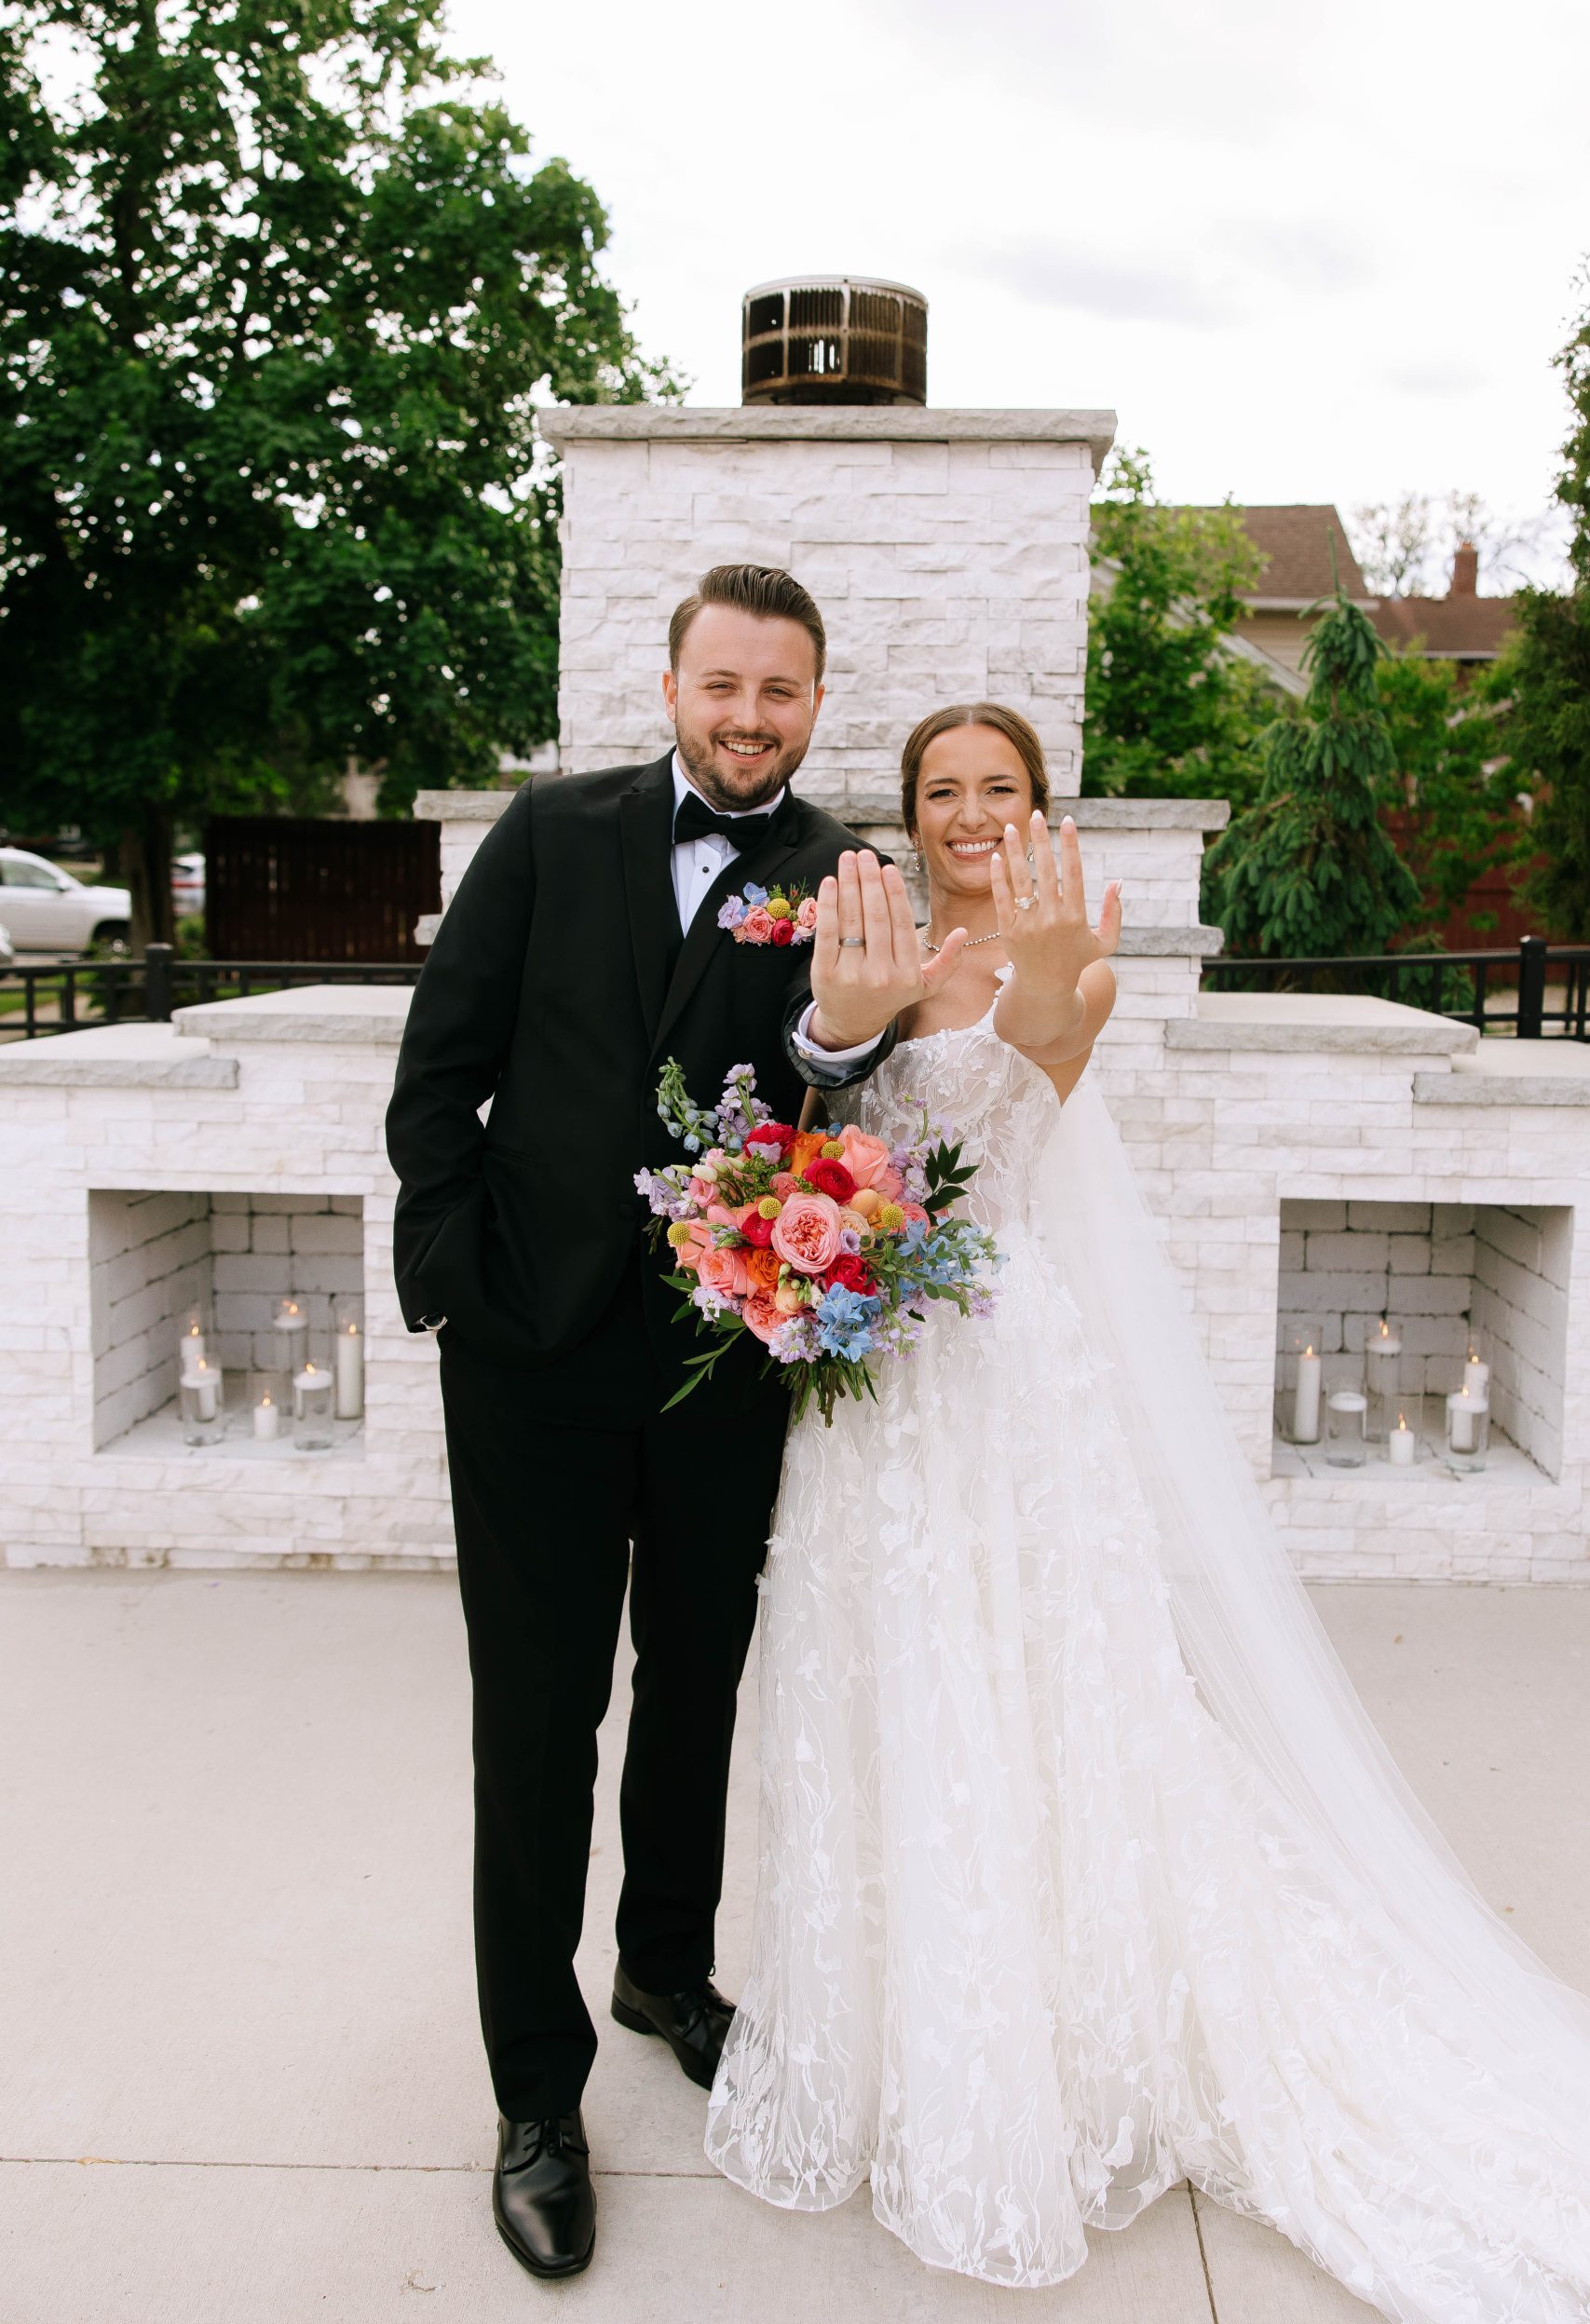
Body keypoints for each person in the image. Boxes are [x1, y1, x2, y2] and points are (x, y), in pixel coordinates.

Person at [706, 701, 1590, 2320]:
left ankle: (1052, 2055)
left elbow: (1042, 1042)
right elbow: (821, 1114)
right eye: (942, 791)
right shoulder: (867, 930)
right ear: (904, 814)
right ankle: (906, 2046)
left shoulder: (1073, 954)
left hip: (1003, 1377)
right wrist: (841, 1034)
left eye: (1002, 788)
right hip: (872, 1392)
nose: (972, 813)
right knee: (888, 1687)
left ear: (1041, 805)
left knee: (1033, 1697)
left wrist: (1028, 965)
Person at [384, 564, 963, 2283]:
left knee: (699, 1680)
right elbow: (440, 1067)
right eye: (724, 684)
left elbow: (835, 1082)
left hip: (729, 1355)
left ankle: (663, 1966)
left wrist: (843, 1044)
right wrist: (451, 1286)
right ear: (669, 684)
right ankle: (536, 2094)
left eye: (780, 694)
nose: (748, 717)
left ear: (813, 703)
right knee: (539, 1717)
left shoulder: (847, 874)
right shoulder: (548, 834)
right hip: (528, 1360)